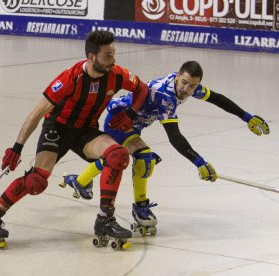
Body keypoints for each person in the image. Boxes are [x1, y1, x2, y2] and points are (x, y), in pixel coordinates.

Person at [0, 30, 150, 246]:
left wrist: (132, 113)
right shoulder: (70, 78)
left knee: (118, 155)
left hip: (85, 131)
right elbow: (36, 113)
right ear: (91, 57)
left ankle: (105, 220)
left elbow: (142, 88)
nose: (113, 60)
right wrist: (17, 147)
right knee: (36, 182)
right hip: (57, 128)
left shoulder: (116, 74)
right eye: (107, 56)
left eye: (114, 54)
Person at [60, 61, 270, 235]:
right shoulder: (165, 95)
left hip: (136, 123)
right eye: (184, 83)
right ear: (177, 76)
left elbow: (217, 99)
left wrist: (247, 117)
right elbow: (174, 136)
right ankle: (140, 208)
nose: (185, 90)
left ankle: (80, 182)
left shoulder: (190, 88)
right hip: (120, 119)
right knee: (144, 157)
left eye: (191, 86)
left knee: (117, 158)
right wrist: (199, 162)